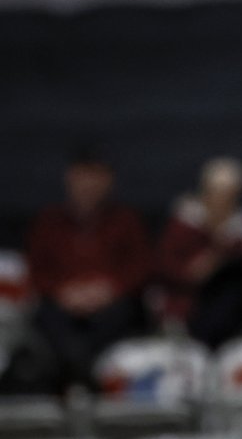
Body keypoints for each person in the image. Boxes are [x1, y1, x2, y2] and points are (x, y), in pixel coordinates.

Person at [23, 146, 152, 391]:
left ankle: (84, 378)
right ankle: (77, 377)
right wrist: (64, 293)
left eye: (97, 176)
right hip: (63, 305)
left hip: (111, 305)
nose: (89, 184)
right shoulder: (48, 223)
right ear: (70, 178)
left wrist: (109, 290)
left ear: (109, 180)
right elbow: (36, 271)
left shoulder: (126, 220)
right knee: (48, 319)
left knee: (123, 314)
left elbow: (141, 267)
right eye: (83, 175)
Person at [155, 156, 242, 347]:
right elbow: (164, 265)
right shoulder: (183, 224)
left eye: (228, 194)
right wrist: (191, 271)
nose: (221, 200)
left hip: (232, 306)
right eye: (217, 193)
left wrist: (219, 258)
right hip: (185, 301)